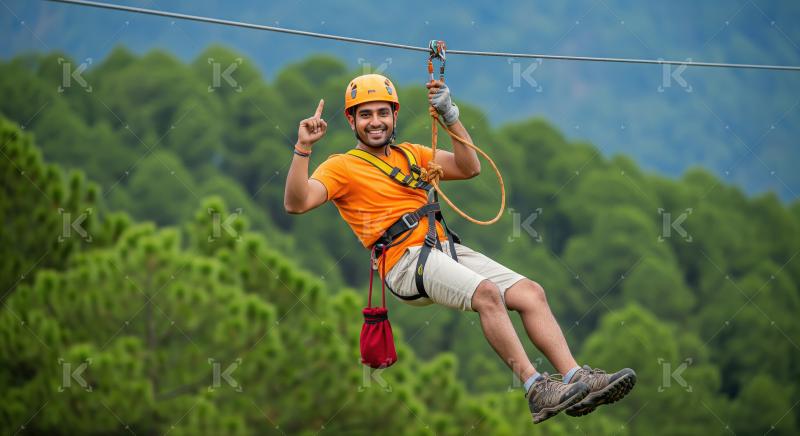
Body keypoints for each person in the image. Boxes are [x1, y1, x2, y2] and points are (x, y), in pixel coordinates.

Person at [283, 73, 636, 424]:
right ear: (351, 120)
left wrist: (451, 115)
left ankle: (576, 378)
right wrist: (304, 149)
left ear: (394, 115)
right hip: (404, 262)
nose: (375, 122)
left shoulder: (412, 155)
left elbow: (470, 167)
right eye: (365, 115)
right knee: (486, 294)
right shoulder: (342, 166)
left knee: (531, 293)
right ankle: (535, 388)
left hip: (440, 247)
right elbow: (297, 203)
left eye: (382, 113)